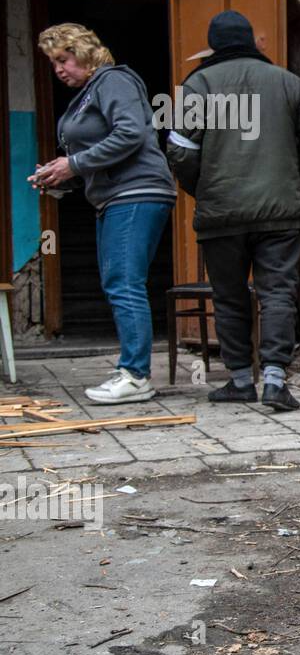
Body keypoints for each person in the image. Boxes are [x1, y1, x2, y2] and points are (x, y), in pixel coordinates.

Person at [166, 11, 300, 411]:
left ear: (215, 46)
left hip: (221, 214)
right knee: (277, 292)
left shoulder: (198, 85)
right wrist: (289, 176)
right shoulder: (287, 82)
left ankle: (240, 380)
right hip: (279, 212)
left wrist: (203, 187)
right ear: (252, 44)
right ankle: (275, 380)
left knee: (228, 297)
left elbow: (178, 150)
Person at [31, 24, 176, 404]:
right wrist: (60, 177)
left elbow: (130, 134)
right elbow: (97, 156)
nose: (59, 68)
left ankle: (136, 375)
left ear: (84, 51)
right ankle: (131, 368)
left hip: (137, 191)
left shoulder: (114, 80)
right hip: (114, 195)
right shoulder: (88, 93)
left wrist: (74, 164)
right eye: (53, 63)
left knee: (124, 282)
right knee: (119, 281)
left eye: (64, 58)